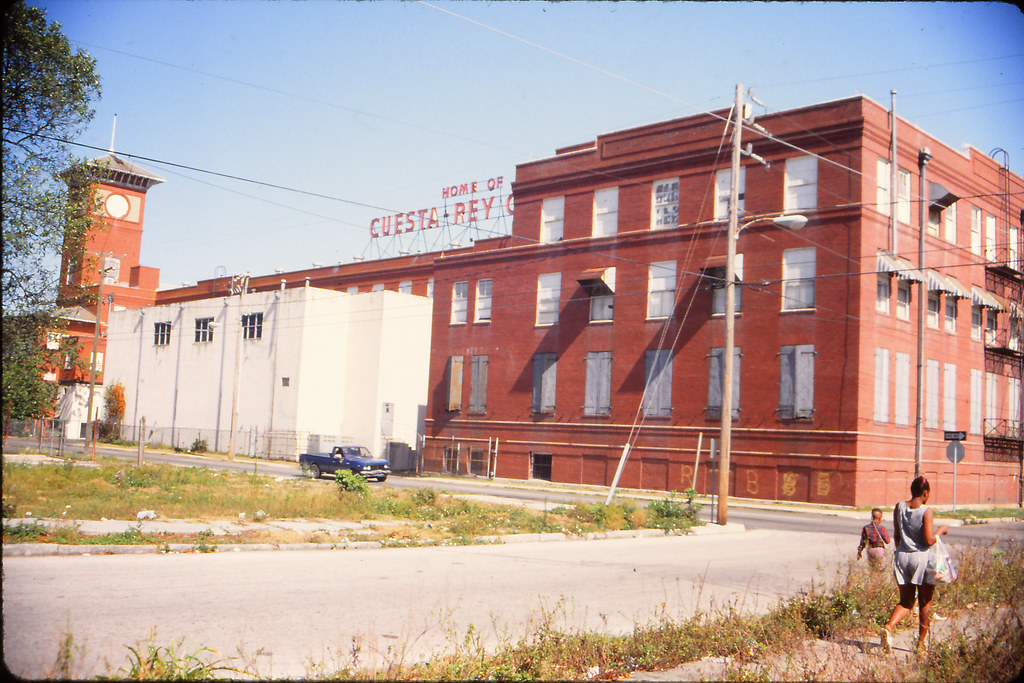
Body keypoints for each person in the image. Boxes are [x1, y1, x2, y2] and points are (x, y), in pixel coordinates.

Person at [881, 476, 948, 655]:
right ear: (925, 493)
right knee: (925, 602)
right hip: (921, 559)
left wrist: (902, 552)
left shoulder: (899, 507)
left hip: (902, 556)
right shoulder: (926, 511)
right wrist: (941, 531)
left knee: (906, 601)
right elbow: (928, 540)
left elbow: (896, 535)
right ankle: (921, 645)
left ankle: (889, 626)